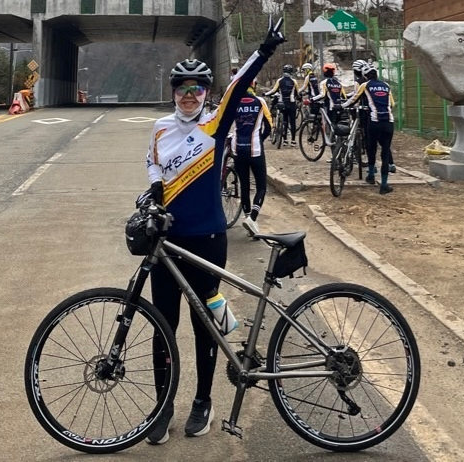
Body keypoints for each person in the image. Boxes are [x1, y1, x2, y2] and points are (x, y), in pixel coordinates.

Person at [143, 20, 285, 445]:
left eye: (198, 89)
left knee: (204, 323)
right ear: (173, 91)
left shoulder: (214, 125)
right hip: (165, 242)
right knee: (161, 324)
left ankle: (203, 402)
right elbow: (153, 163)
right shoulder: (160, 128)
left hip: (207, 239)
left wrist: (264, 50)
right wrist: (154, 189)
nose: (190, 95)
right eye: (183, 88)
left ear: (206, 95)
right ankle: (163, 404)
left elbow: (239, 86)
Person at [342, 64, 396, 194]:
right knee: (385, 152)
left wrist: (342, 105)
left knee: (371, 148)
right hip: (388, 122)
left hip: (374, 121)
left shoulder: (365, 85)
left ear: (366, 76)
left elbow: (353, 99)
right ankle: (384, 185)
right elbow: (392, 104)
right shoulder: (386, 86)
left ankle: (371, 175)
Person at [231, 79, 272, 236]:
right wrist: (260, 139)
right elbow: (269, 125)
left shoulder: (234, 101)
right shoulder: (260, 101)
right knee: (261, 186)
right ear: (253, 85)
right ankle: (253, 218)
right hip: (255, 149)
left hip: (237, 149)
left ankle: (247, 216)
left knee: (244, 185)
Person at [263, 64, 299, 146]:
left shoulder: (279, 80)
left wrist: (265, 94)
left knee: (285, 121)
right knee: (292, 122)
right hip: (291, 103)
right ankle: (293, 140)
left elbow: (273, 90)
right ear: (291, 72)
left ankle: (285, 140)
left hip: (282, 103)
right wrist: (297, 97)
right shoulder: (294, 81)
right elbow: (297, 93)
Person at [313, 63, 346, 135]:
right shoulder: (339, 83)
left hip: (330, 107)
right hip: (340, 107)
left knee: (330, 125)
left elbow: (322, 95)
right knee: (338, 126)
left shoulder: (324, 83)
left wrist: (312, 99)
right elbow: (344, 96)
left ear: (324, 72)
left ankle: (330, 140)